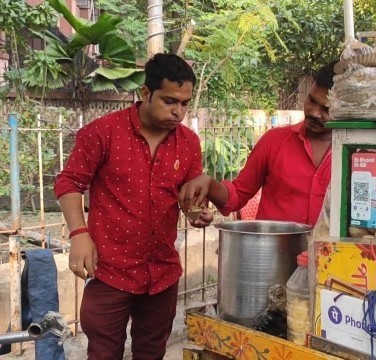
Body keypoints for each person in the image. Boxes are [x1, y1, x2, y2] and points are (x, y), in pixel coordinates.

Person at [54, 53, 213, 360]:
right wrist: (78, 234)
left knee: (152, 353)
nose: (178, 111)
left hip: (162, 272)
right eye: (169, 101)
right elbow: (69, 182)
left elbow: (188, 194)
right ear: (145, 93)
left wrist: (196, 212)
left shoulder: (189, 142)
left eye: (184, 103)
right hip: (110, 270)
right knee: (103, 353)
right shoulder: (103, 132)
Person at [179, 60, 338, 226]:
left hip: (336, 252)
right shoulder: (274, 141)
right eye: (311, 100)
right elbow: (238, 194)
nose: (314, 112)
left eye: (326, 109)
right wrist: (210, 184)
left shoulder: (357, 154)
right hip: (273, 251)